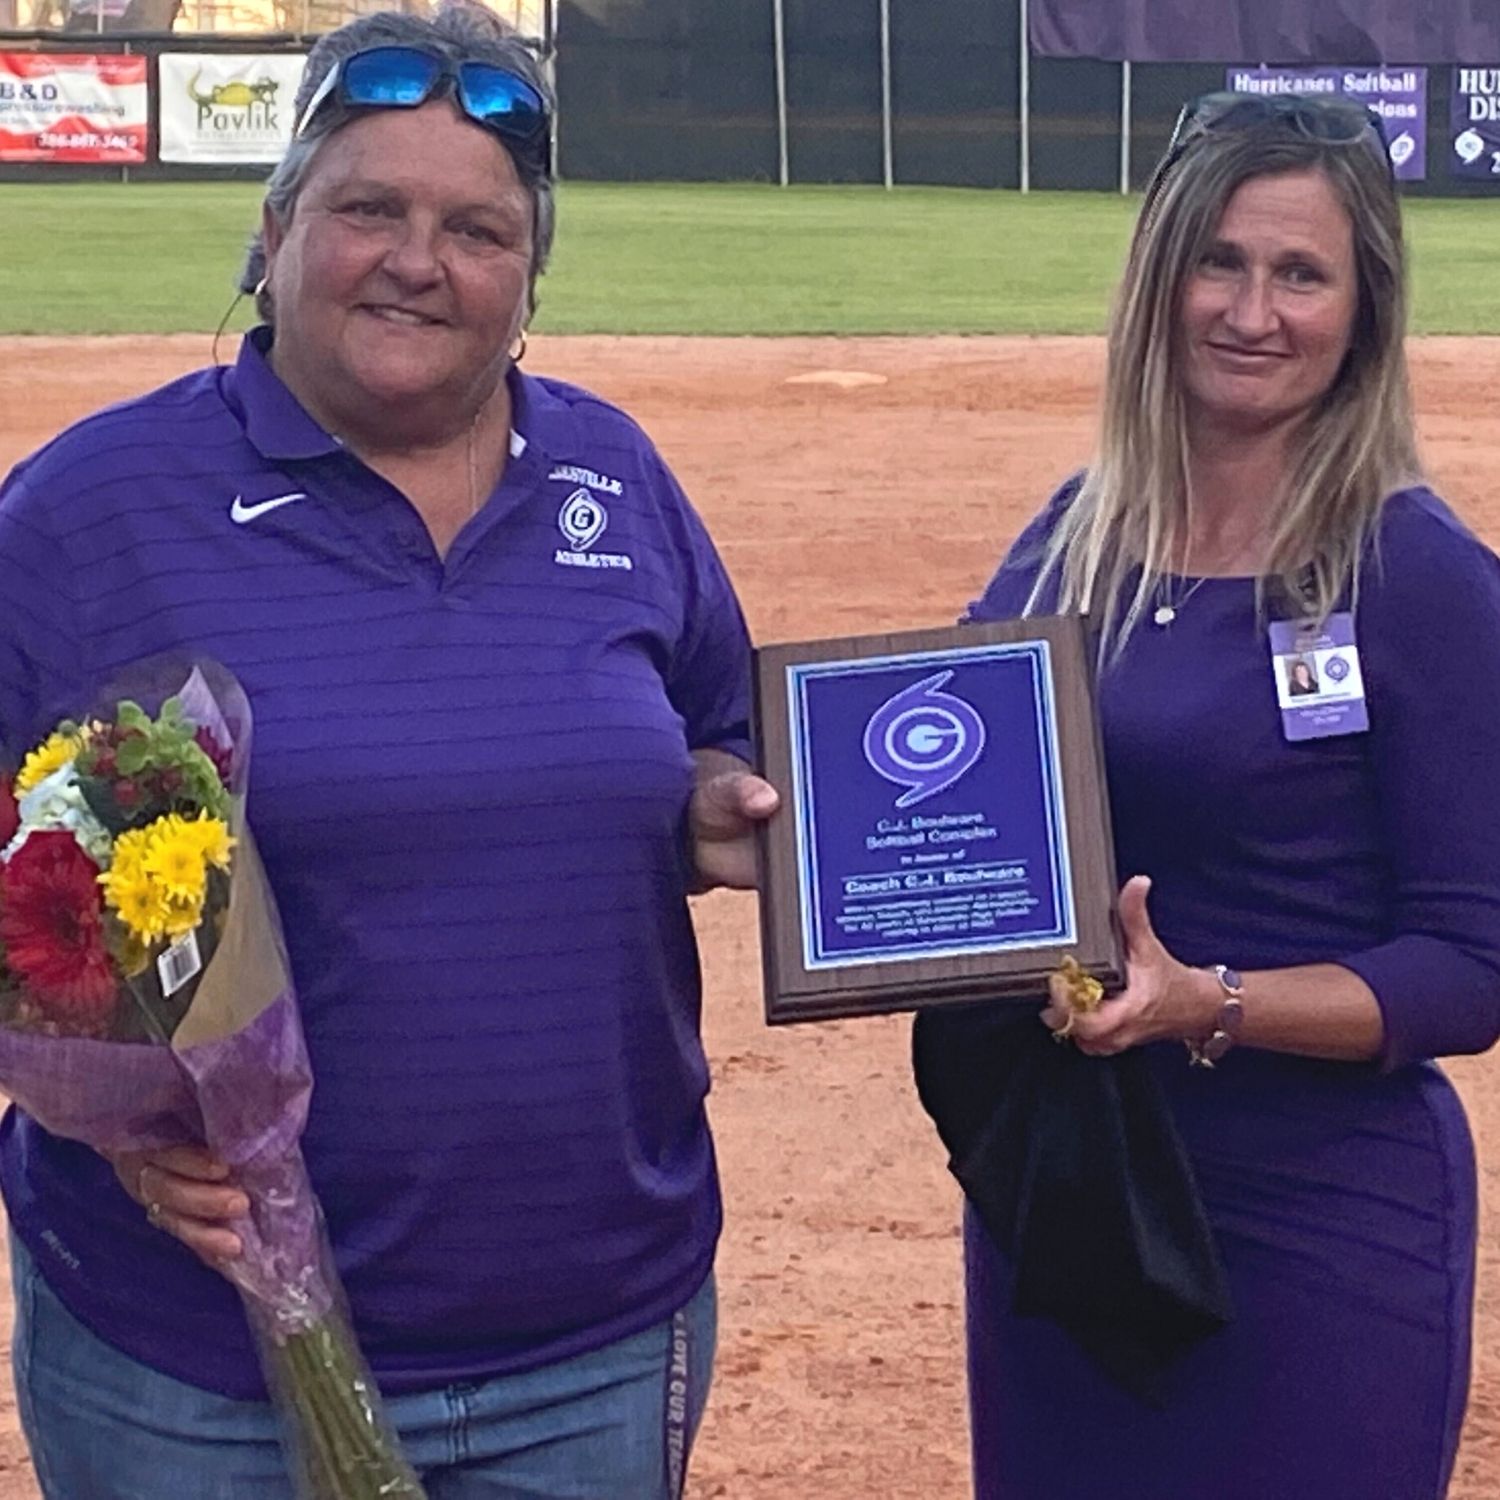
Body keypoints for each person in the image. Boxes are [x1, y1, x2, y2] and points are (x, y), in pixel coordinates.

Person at [0, 6, 777, 1496]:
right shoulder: (95, 508)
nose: (421, 261)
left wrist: (704, 806)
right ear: (277, 226)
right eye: (370, 210)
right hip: (195, 1364)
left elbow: (703, 736)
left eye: (479, 230)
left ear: (530, 277)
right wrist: (92, 1124)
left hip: (591, 1336)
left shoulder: (610, 470)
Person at [915, 92, 1500, 1500]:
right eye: (1218, 262)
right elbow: (946, 785)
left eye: (1301, 274)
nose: (1252, 310)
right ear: (1159, 279)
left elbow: (1475, 968)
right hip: (1071, 1197)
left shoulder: (1414, 576)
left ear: (1364, 312)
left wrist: (1209, 1002)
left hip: (1312, 1219)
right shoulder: (1075, 535)